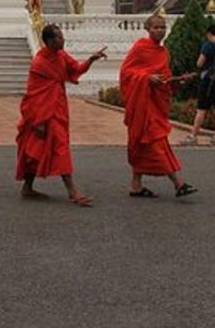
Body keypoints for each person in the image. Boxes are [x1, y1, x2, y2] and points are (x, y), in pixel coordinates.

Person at [16, 24, 106, 207]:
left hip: (57, 108)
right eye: (58, 37)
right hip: (42, 114)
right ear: (48, 41)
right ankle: (73, 192)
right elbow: (34, 95)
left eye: (62, 36)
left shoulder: (61, 56)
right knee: (59, 148)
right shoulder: (39, 63)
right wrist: (39, 121)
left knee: (38, 150)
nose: (62, 40)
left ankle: (28, 186)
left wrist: (91, 59)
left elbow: (76, 69)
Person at [119, 14, 198, 198]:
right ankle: (178, 184)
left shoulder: (163, 53)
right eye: (156, 27)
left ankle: (135, 185)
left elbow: (165, 81)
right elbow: (126, 73)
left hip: (154, 104)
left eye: (163, 27)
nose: (160, 31)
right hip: (142, 105)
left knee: (143, 144)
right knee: (156, 143)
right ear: (147, 29)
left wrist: (179, 81)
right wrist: (146, 78)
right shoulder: (140, 47)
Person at [183, 24, 215, 146]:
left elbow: (199, 63)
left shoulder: (208, 45)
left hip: (209, 79)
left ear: (209, 34)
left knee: (202, 108)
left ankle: (193, 136)